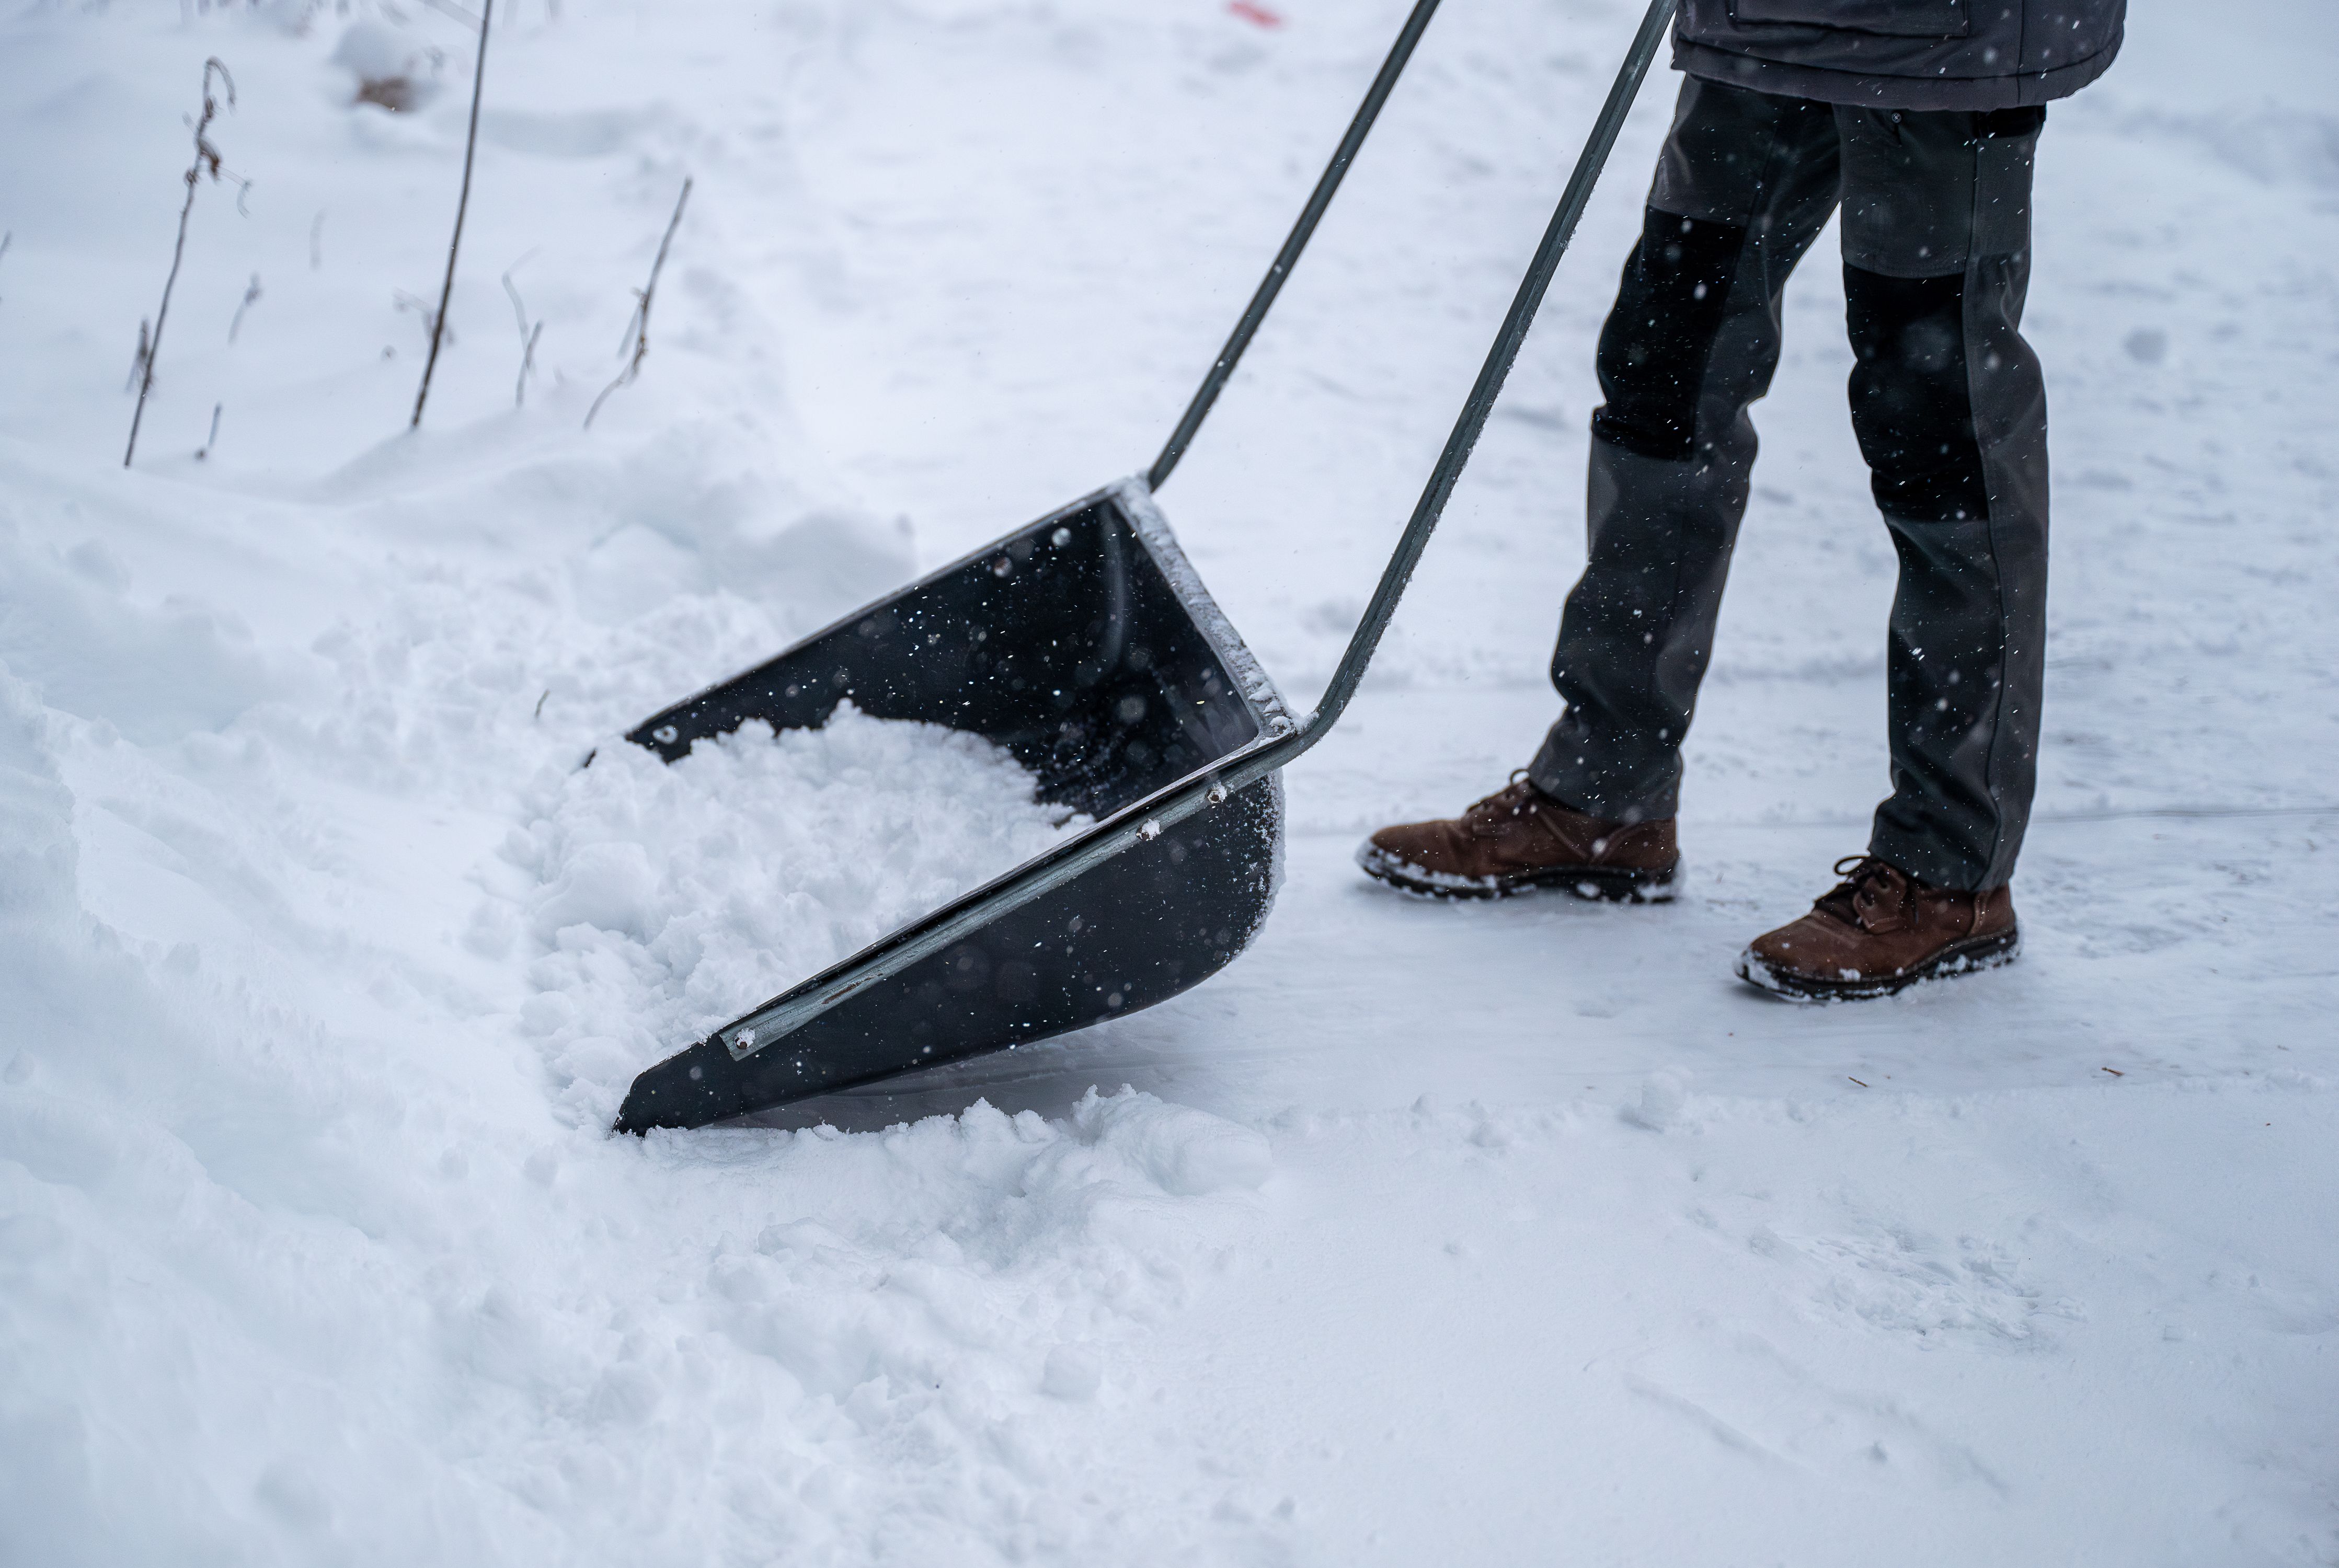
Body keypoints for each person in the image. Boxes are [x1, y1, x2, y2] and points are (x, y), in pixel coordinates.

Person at [1357, 0, 2127, 1000]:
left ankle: (1951, 873)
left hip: (1939, 44)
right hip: (1760, 26)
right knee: (1666, 368)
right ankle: (1604, 795)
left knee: (1941, 425)